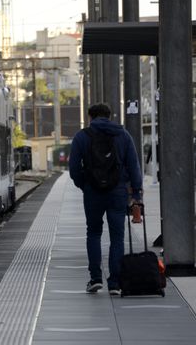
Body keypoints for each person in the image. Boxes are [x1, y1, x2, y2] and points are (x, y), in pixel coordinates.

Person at [69, 103, 143, 295]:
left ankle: (95, 279)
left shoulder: (81, 136)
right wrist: (136, 194)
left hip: (93, 192)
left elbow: (74, 168)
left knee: (93, 233)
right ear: (109, 116)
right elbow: (134, 166)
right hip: (118, 192)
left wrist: (84, 185)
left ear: (90, 117)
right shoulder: (123, 135)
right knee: (117, 237)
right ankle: (115, 283)